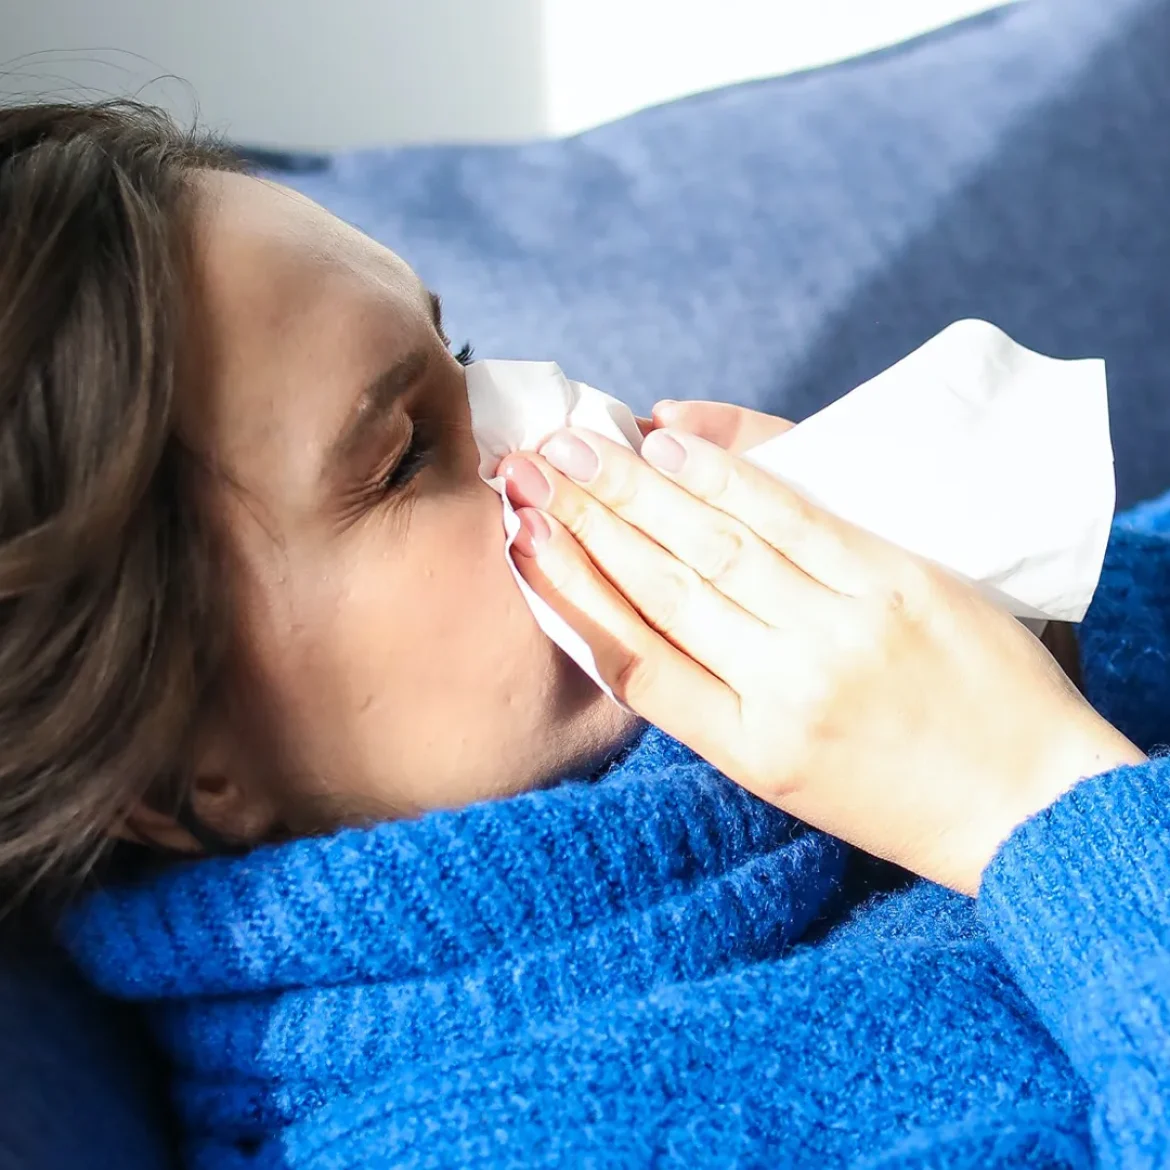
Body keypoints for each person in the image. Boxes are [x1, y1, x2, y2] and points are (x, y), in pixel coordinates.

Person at [5, 100, 1169, 1166]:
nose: (552, 411)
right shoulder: (458, 1142)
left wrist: (1022, 625)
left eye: (461, 357)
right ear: (179, 767)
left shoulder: (790, 776)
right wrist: (1031, 796)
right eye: (406, 451)